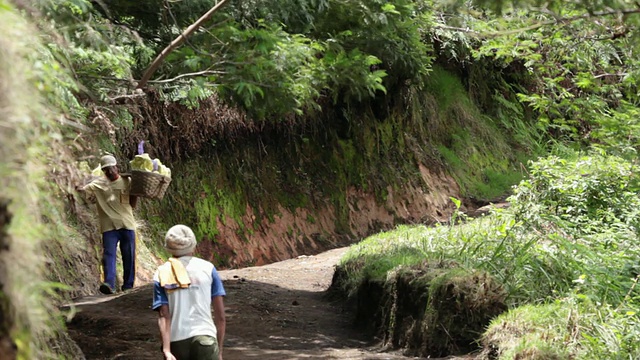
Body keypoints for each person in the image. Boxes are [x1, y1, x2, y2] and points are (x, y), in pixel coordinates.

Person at [152, 224, 226, 360]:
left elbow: (164, 315)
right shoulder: (208, 268)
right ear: (193, 245)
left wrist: (167, 350)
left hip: (177, 342)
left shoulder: (162, 272)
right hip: (206, 339)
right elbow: (220, 316)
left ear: (168, 248)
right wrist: (219, 352)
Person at [79, 154, 138, 294]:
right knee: (109, 255)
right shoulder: (98, 184)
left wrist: (134, 195)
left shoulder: (127, 181)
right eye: (106, 170)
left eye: (111, 168)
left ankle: (128, 286)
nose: (109, 172)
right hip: (109, 226)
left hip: (127, 224)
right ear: (103, 171)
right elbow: (82, 191)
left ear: (116, 167)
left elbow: (133, 203)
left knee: (129, 255)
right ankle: (109, 284)